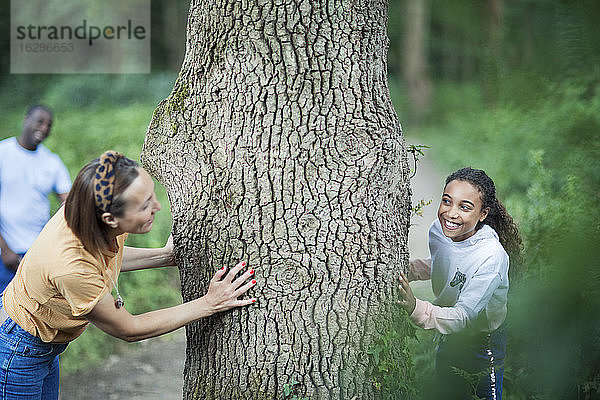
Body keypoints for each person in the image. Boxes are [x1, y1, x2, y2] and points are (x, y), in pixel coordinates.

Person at [0, 151, 258, 400]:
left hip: (41, 343)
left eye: (152, 196)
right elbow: (128, 328)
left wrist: (165, 256)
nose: (157, 207)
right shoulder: (70, 266)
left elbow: (108, 257)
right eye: (145, 205)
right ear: (111, 218)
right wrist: (209, 303)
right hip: (20, 348)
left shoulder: (93, 211)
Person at [398, 167, 522, 400]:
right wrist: (410, 270)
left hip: (483, 342)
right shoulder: (439, 231)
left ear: (483, 214)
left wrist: (416, 308)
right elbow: (445, 264)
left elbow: (464, 317)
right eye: (447, 201)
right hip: (450, 332)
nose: (451, 213)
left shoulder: (490, 256)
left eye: (465, 207)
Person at [0, 105, 72, 291]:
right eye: (40, 122)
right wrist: (5, 250)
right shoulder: (3, 152)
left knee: (30, 315)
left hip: (37, 254)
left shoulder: (52, 162)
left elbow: (71, 203)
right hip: (4, 253)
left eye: (49, 125)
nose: (44, 128)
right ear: (26, 120)